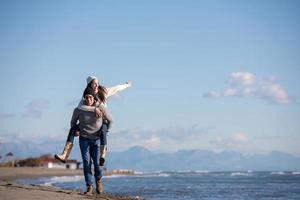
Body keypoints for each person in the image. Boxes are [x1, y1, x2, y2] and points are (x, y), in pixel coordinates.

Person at [55, 76, 131, 165]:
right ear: (89, 85)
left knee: (103, 129)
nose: (97, 85)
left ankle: (102, 156)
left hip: (100, 121)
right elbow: (80, 107)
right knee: (72, 129)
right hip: (87, 122)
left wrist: (126, 85)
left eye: (97, 83)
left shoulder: (104, 91)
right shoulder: (86, 96)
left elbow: (116, 88)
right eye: (94, 83)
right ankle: (64, 155)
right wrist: (94, 109)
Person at [72, 87, 113, 195]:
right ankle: (89, 186)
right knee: (86, 162)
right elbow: (72, 123)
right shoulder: (79, 110)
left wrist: (106, 131)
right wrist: (75, 130)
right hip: (84, 138)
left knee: (96, 163)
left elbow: (111, 120)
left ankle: (98, 180)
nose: (88, 99)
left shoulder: (101, 108)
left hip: (96, 140)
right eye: (86, 97)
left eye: (90, 97)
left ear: (93, 98)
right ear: (84, 98)